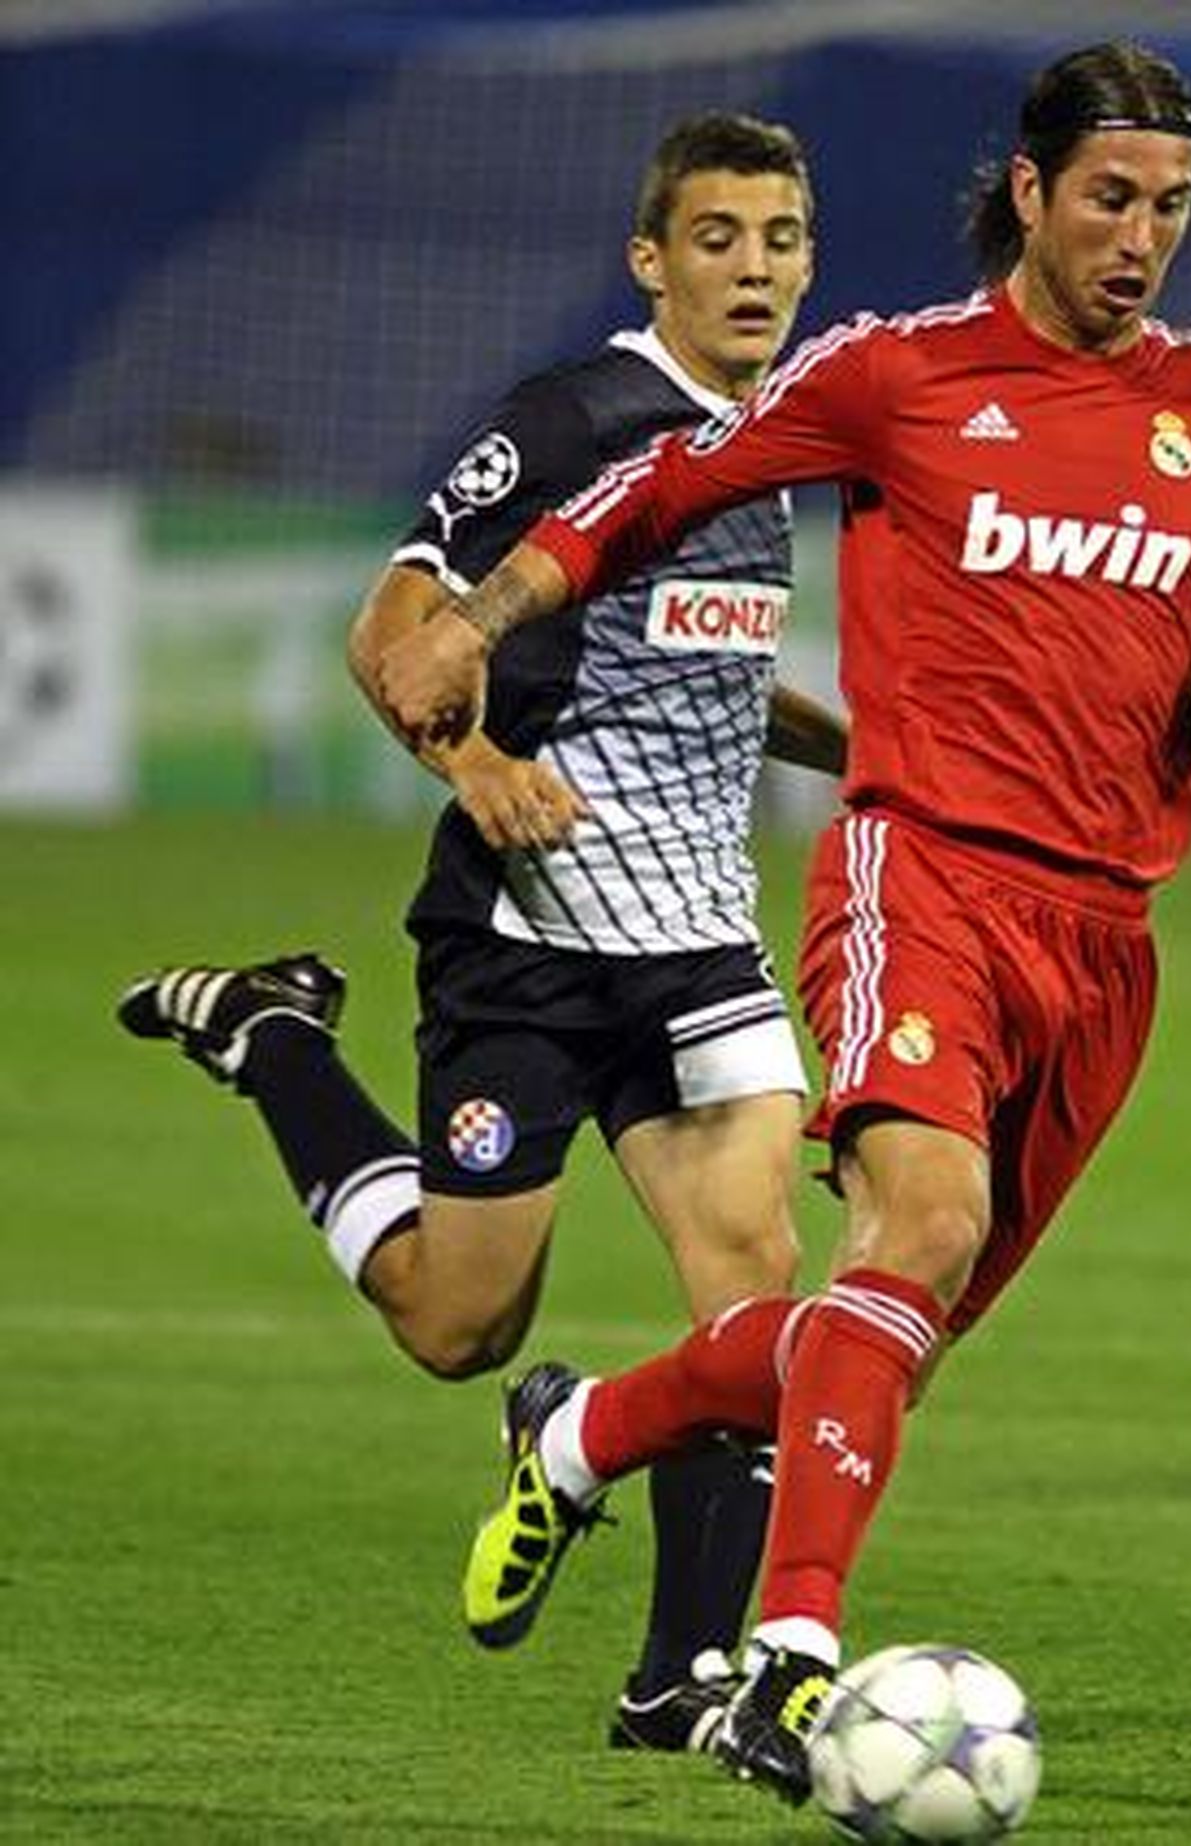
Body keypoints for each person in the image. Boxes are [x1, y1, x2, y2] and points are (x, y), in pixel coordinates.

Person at [373, 41, 1191, 1809]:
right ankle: (783, 1666)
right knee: (916, 1231)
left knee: (876, 1329)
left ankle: (589, 1425)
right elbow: (652, 492)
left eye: (1172, 208)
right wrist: (490, 611)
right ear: (1029, 192)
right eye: (1111, 199)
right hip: (925, 876)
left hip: (1106, 943)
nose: (1143, 237)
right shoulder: (896, 375)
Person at [117, 112, 845, 1755]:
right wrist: (475, 757)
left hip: (699, 949)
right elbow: (395, 631)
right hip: (523, 942)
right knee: (459, 1323)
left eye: (782, 237)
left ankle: (678, 1685)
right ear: (651, 261)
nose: (754, 268)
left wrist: (874, 754)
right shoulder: (573, 417)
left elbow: (713, 672)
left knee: (754, 1309)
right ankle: (276, 1039)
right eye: (717, 238)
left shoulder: (784, 437)